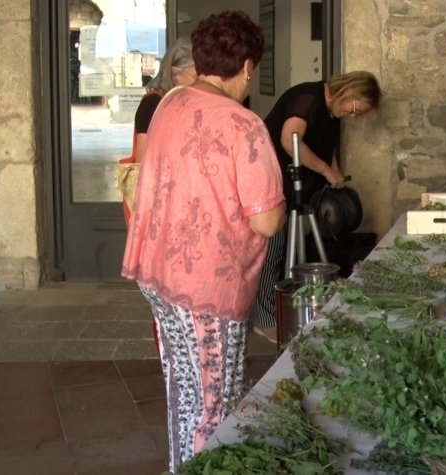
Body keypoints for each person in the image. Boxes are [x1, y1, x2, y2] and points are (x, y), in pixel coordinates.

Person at [120, 11, 286, 470]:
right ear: (249, 67)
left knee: (183, 391)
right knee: (215, 407)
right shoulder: (242, 124)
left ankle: (180, 466)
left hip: (157, 272)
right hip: (206, 287)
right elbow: (269, 222)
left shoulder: (170, 101)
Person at [249, 71, 382, 334]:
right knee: (271, 252)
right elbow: (290, 140)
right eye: (355, 107)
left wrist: (336, 174)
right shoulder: (308, 98)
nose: (354, 114)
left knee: (283, 249)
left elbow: (325, 147)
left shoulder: (332, 113)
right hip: (272, 184)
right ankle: (264, 320)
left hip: (293, 189)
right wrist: (325, 171)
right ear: (349, 91)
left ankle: (282, 310)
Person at [119, 36, 196, 224]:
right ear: (174, 72)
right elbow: (142, 161)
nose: (197, 83)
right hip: (155, 203)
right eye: (195, 75)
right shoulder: (153, 103)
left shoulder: (180, 101)